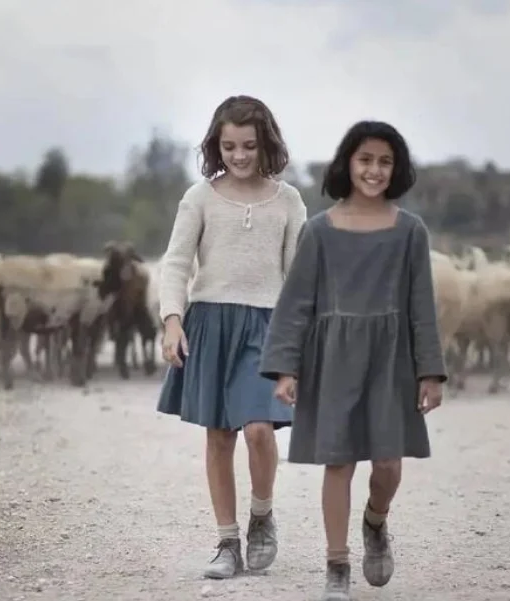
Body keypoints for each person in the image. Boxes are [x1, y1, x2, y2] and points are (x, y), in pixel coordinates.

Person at [259, 120, 447, 601]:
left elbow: (422, 306)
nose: (374, 170)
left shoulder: (410, 231)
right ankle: (336, 565)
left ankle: (375, 521)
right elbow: (296, 304)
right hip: (334, 360)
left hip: (390, 361)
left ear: (396, 169)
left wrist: (430, 371)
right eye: (365, 159)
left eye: (385, 161)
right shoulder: (319, 231)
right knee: (338, 462)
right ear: (347, 163)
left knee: (388, 463)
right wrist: (286, 368)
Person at [157, 95, 308, 580]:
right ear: (215, 147)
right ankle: (227, 543)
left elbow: (299, 276)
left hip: (267, 326)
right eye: (229, 146)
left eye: (248, 145)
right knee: (220, 435)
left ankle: (261, 516)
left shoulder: (288, 200)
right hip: (210, 323)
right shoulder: (199, 197)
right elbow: (176, 263)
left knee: (259, 428)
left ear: (266, 144)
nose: (239, 155)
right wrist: (172, 319)